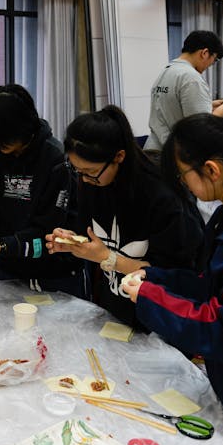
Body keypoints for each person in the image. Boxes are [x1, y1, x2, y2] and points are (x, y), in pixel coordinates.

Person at [122, 113, 223, 445]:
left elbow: (222, 329)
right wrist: (157, 278)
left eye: (184, 175)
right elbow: (212, 285)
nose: (184, 185)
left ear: (212, 170)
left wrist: (150, 297)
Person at [44, 105, 204, 328]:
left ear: (119, 156)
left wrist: (109, 259)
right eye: (77, 171)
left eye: (90, 171)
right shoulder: (91, 183)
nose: (84, 179)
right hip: (115, 312)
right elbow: (92, 238)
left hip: (161, 320)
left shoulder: (162, 196)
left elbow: (176, 276)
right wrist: (72, 242)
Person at [0, 85, 83, 296]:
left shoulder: (54, 159)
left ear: (21, 126)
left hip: (54, 270)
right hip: (10, 266)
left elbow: (49, 229)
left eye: (1, 134)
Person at [145, 30, 223, 150]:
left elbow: (172, 106)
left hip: (154, 149)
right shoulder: (191, 78)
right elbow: (201, 128)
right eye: (214, 60)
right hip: (174, 154)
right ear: (205, 53)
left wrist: (209, 105)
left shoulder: (167, 70)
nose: (210, 65)